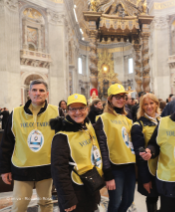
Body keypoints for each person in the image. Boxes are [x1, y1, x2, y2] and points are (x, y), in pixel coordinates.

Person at [0, 79, 63, 212]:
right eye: (34, 90)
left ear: (47, 93)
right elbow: (7, 143)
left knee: (46, 204)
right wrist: (4, 169)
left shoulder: (56, 112)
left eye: (41, 90)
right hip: (22, 169)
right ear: (29, 93)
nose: (37, 93)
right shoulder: (16, 113)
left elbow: (63, 142)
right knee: (19, 206)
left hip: (46, 168)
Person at [50, 94, 108, 212]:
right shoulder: (61, 136)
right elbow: (59, 172)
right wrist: (68, 199)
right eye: (73, 109)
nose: (77, 112)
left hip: (90, 184)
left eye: (81, 108)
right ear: (67, 111)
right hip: (75, 191)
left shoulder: (87, 126)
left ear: (87, 109)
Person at [94, 83, 136, 212]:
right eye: (117, 97)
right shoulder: (102, 119)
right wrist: (108, 175)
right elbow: (102, 147)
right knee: (115, 203)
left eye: (123, 96)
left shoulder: (127, 119)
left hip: (130, 166)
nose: (120, 99)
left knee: (128, 200)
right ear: (110, 99)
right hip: (115, 168)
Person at [131, 93, 161, 212]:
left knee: (167, 198)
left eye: (151, 103)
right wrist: (145, 179)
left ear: (156, 104)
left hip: (165, 167)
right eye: (146, 104)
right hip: (150, 169)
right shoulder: (138, 126)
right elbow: (140, 155)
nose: (149, 106)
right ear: (142, 107)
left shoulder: (163, 121)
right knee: (152, 198)